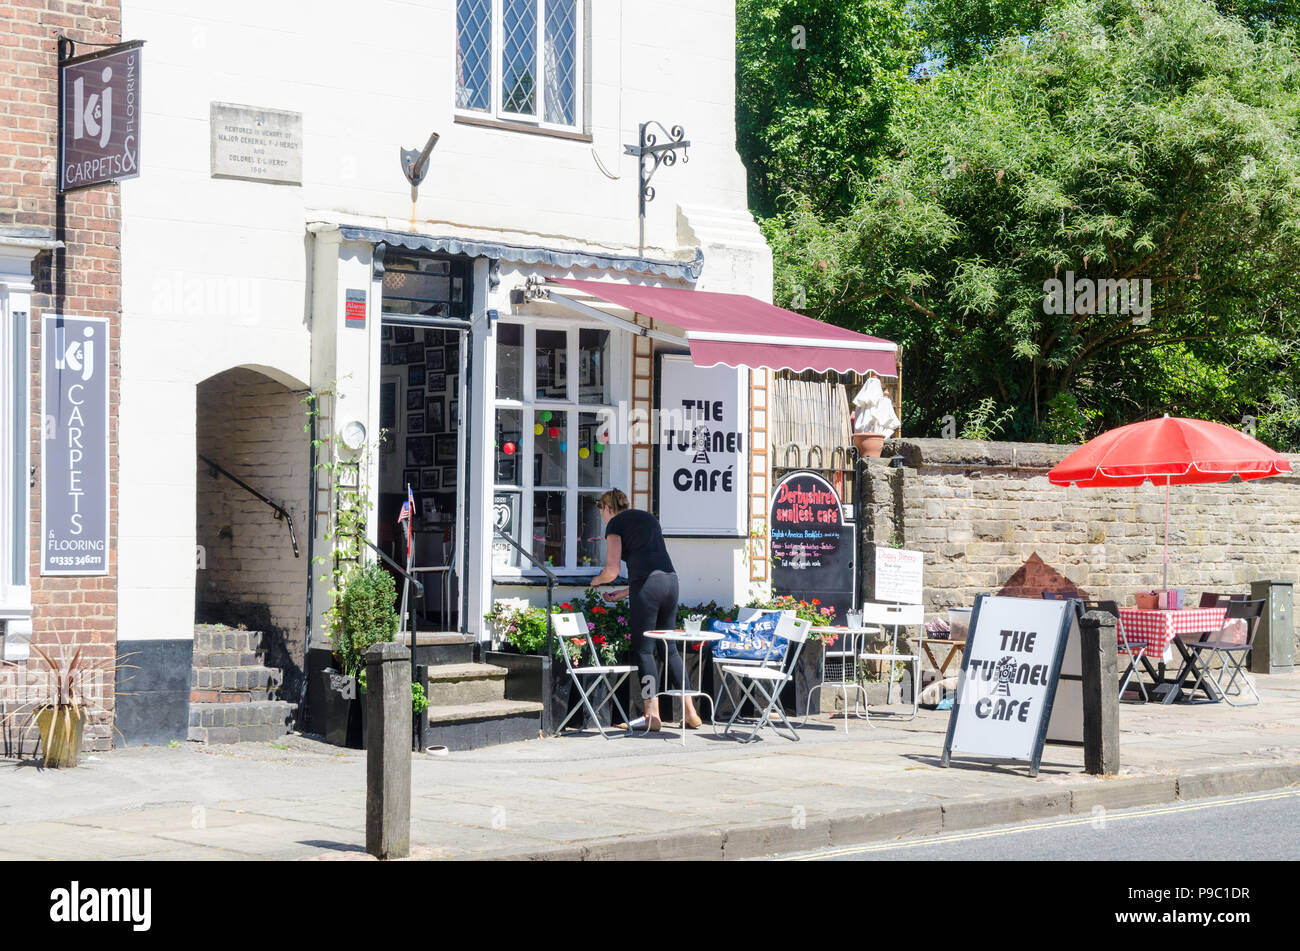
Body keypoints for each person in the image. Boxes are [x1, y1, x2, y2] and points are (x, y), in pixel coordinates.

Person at [589, 489, 702, 732]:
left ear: (607, 508)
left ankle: (652, 714)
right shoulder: (648, 519)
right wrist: (623, 593)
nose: (604, 518)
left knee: (644, 650)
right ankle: (691, 712)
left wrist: (597, 580)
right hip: (670, 582)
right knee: (670, 649)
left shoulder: (615, 524)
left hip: (648, 586)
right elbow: (652, 568)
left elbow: (612, 570)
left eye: (602, 513)